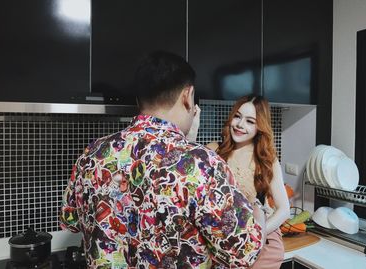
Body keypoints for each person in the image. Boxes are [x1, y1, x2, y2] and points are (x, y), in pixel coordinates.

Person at [60, 51, 265, 268]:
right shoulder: (202, 164)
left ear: (139, 99)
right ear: (188, 95)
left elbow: (70, 220)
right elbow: (244, 251)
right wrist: (258, 212)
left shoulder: (93, 153)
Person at [207, 95, 290, 269]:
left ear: (259, 126)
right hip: (225, 244)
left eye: (250, 121)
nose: (240, 125)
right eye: (237, 117)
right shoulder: (214, 151)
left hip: (263, 245)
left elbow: (284, 210)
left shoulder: (267, 160)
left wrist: (255, 236)